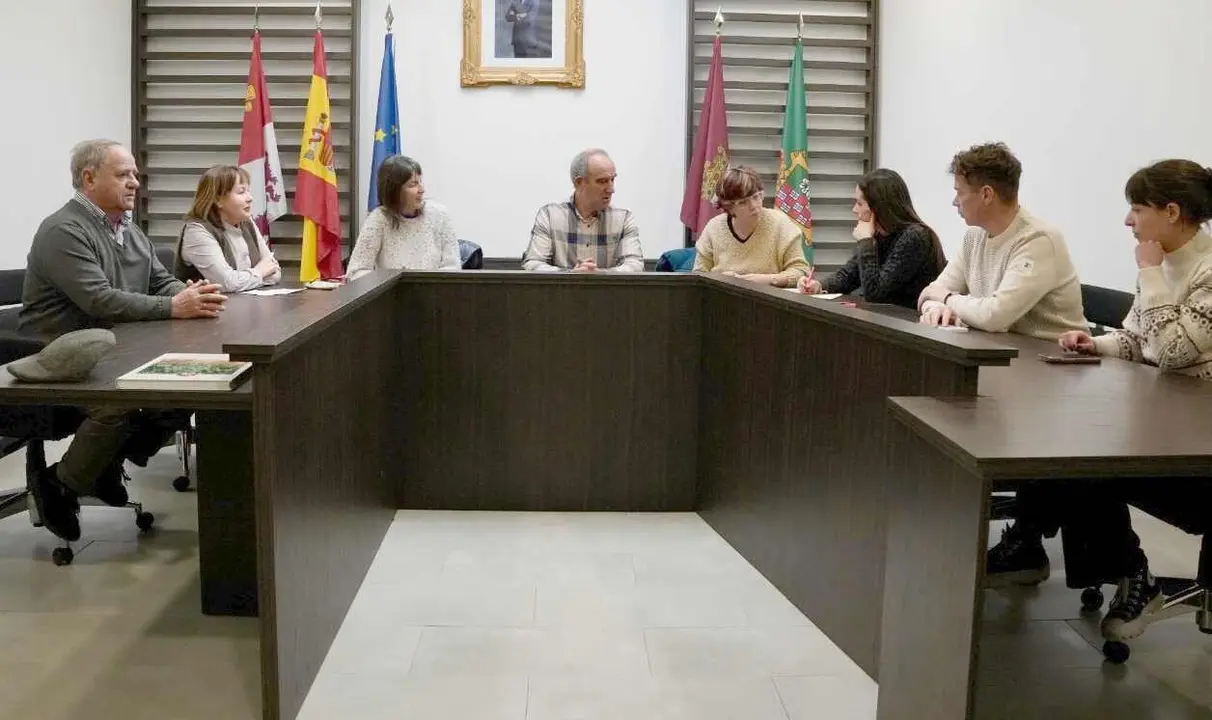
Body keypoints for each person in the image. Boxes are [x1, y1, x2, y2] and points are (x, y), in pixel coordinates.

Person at [988, 159, 1212, 643]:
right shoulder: (1162, 265)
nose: (1128, 222)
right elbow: (1138, 339)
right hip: (1161, 424)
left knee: (1086, 464)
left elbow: (1173, 352)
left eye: (1136, 209)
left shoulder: (1203, 271)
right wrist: (1098, 343)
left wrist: (1151, 275)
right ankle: (1133, 573)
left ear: (1171, 212)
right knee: (1066, 456)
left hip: (1198, 447)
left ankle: (1107, 567)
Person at [19, 139, 226, 543]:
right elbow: (99, 300)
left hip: (115, 349)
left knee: (193, 388)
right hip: (64, 358)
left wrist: (193, 294)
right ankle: (61, 483)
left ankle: (104, 465)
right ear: (89, 178)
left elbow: (159, 280)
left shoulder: (125, 227)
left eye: (134, 173)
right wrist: (174, 308)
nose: (135, 181)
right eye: (123, 174)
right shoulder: (64, 229)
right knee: (125, 401)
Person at [917, 142, 1086, 338]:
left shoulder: (1038, 240)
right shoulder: (974, 237)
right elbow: (933, 291)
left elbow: (995, 316)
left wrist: (946, 299)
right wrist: (935, 309)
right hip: (1000, 351)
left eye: (959, 192)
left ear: (986, 195)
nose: (955, 202)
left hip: (1053, 359)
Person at [798, 168, 947, 308]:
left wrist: (866, 243)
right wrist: (819, 285)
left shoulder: (915, 236)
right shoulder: (880, 234)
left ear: (878, 207)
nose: (854, 210)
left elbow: (876, 294)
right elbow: (847, 276)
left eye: (859, 203)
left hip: (912, 325)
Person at [523, 149, 643, 273]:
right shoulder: (550, 216)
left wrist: (600, 275)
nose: (611, 189)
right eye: (602, 181)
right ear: (579, 183)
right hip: (562, 292)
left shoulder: (623, 218)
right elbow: (533, 264)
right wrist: (570, 275)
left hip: (607, 292)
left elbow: (635, 265)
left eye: (612, 179)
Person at [694, 165, 811, 287]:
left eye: (756, 197)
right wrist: (719, 279)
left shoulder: (781, 224)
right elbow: (698, 275)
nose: (754, 205)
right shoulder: (714, 228)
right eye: (743, 202)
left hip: (769, 300)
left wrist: (769, 280)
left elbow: (801, 271)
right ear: (729, 207)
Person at [346, 155, 460, 280]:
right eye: (413, 184)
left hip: (433, 294)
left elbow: (452, 268)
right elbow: (356, 270)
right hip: (392, 296)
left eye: (420, 182)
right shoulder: (379, 219)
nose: (422, 189)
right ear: (394, 190)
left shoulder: (439, 215)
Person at [176, 164, 281, 292]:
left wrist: (245, 280)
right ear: (218, 199)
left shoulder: (247, 222)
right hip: (209, 309)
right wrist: (259, 272)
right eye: (241, 192)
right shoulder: (196, 231)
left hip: (246, 305)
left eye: (249, 191)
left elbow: (274, 271)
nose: (250, 198)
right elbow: (226, 283)